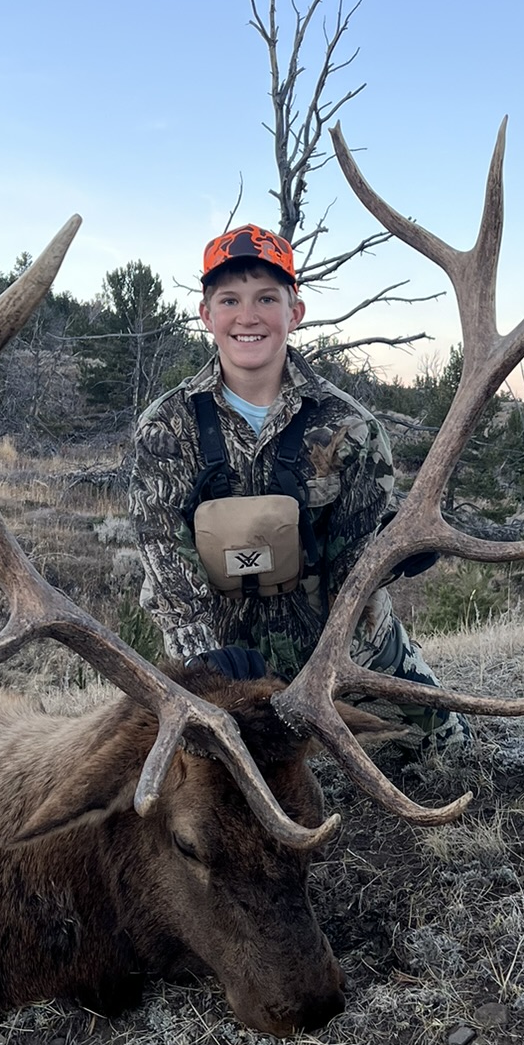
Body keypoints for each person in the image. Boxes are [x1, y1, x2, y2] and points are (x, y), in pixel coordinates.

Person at [128, 224, 467, 749]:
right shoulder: (165, 428)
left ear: (295, 312)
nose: (248, 316)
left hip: (342, 653)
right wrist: (203, 661)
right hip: (223, 664)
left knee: (444, 752)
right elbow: (165, 560)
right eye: (229, 300)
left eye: (267, 298)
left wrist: (397, 550)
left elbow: (352, 566)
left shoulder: (350, 427)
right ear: (206, 315)